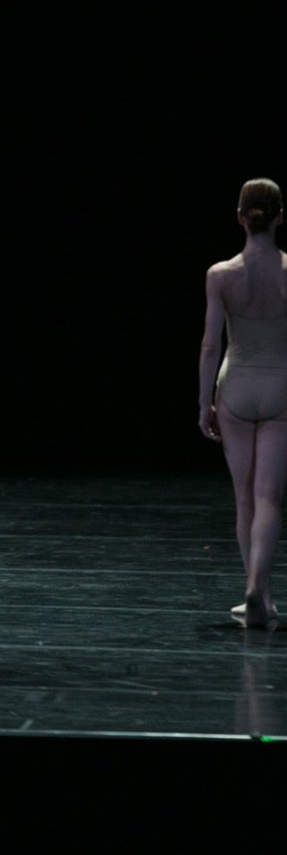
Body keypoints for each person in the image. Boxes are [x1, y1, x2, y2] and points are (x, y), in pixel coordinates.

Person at [199, 177, 287, 629]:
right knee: (269, 496)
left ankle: (258, 595)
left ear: (240, 217)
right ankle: (260, 591)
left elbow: (211, 346)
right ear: (280, 218)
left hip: (235, 387)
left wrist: (202, 403)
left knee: (244, 498)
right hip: (279, 386)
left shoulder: (220, 274)